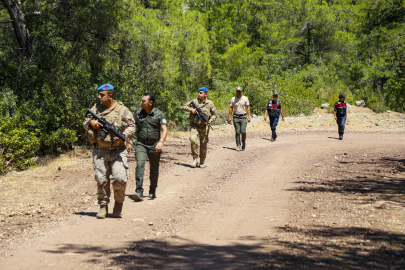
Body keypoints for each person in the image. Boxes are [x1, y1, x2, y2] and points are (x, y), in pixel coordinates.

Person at [83, 84, 135, 219]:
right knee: (101, 180)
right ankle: (103, 206)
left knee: (119, 178)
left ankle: (118, 203)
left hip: (118, 150)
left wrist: (123, 136)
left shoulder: (122, 110)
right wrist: (92, 123)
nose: (99, 98)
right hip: (100, 150)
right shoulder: (95, 108)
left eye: (102, 95)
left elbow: (132, 126)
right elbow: (85, 122)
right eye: (99, 95)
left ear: (110, 95)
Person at [132, 93, 168, 201]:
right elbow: (132, 127)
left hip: (154, 144)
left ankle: (152, 190)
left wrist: (161, 142)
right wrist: (128, 141)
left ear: (150, 103)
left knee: (154, 168)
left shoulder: (159, 114)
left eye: (143, 101)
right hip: (141, 144)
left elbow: (164, 129)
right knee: (140, 164)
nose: (141, 103)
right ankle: (139, 191)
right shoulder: (138, 113)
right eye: (141, 100)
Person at [182, 87, 217, 168]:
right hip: (195, 125)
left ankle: (202, 161)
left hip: (204, 126)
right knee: (193, 139)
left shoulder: (210, 103)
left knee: (203, 144)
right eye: (198, 92)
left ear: (205, 94)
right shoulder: (194, 101)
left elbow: (215, 114)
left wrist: (210, 121)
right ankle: (195, 159)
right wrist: (191, 110)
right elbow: (184, 106)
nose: (199, 94)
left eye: (201, 93)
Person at [227, 87, 251, 151]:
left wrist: (249, 116)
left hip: (243, 116)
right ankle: (238, 145)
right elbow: (231, 108)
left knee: (243, 131)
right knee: (237, 131)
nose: (238, 92)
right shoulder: (233, 99)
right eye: (237, 91)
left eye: (240, 91)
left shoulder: (245, 98)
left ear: (242, 92)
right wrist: (229, 117)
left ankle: (243, 143)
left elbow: (248, 107)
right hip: (236, 117)